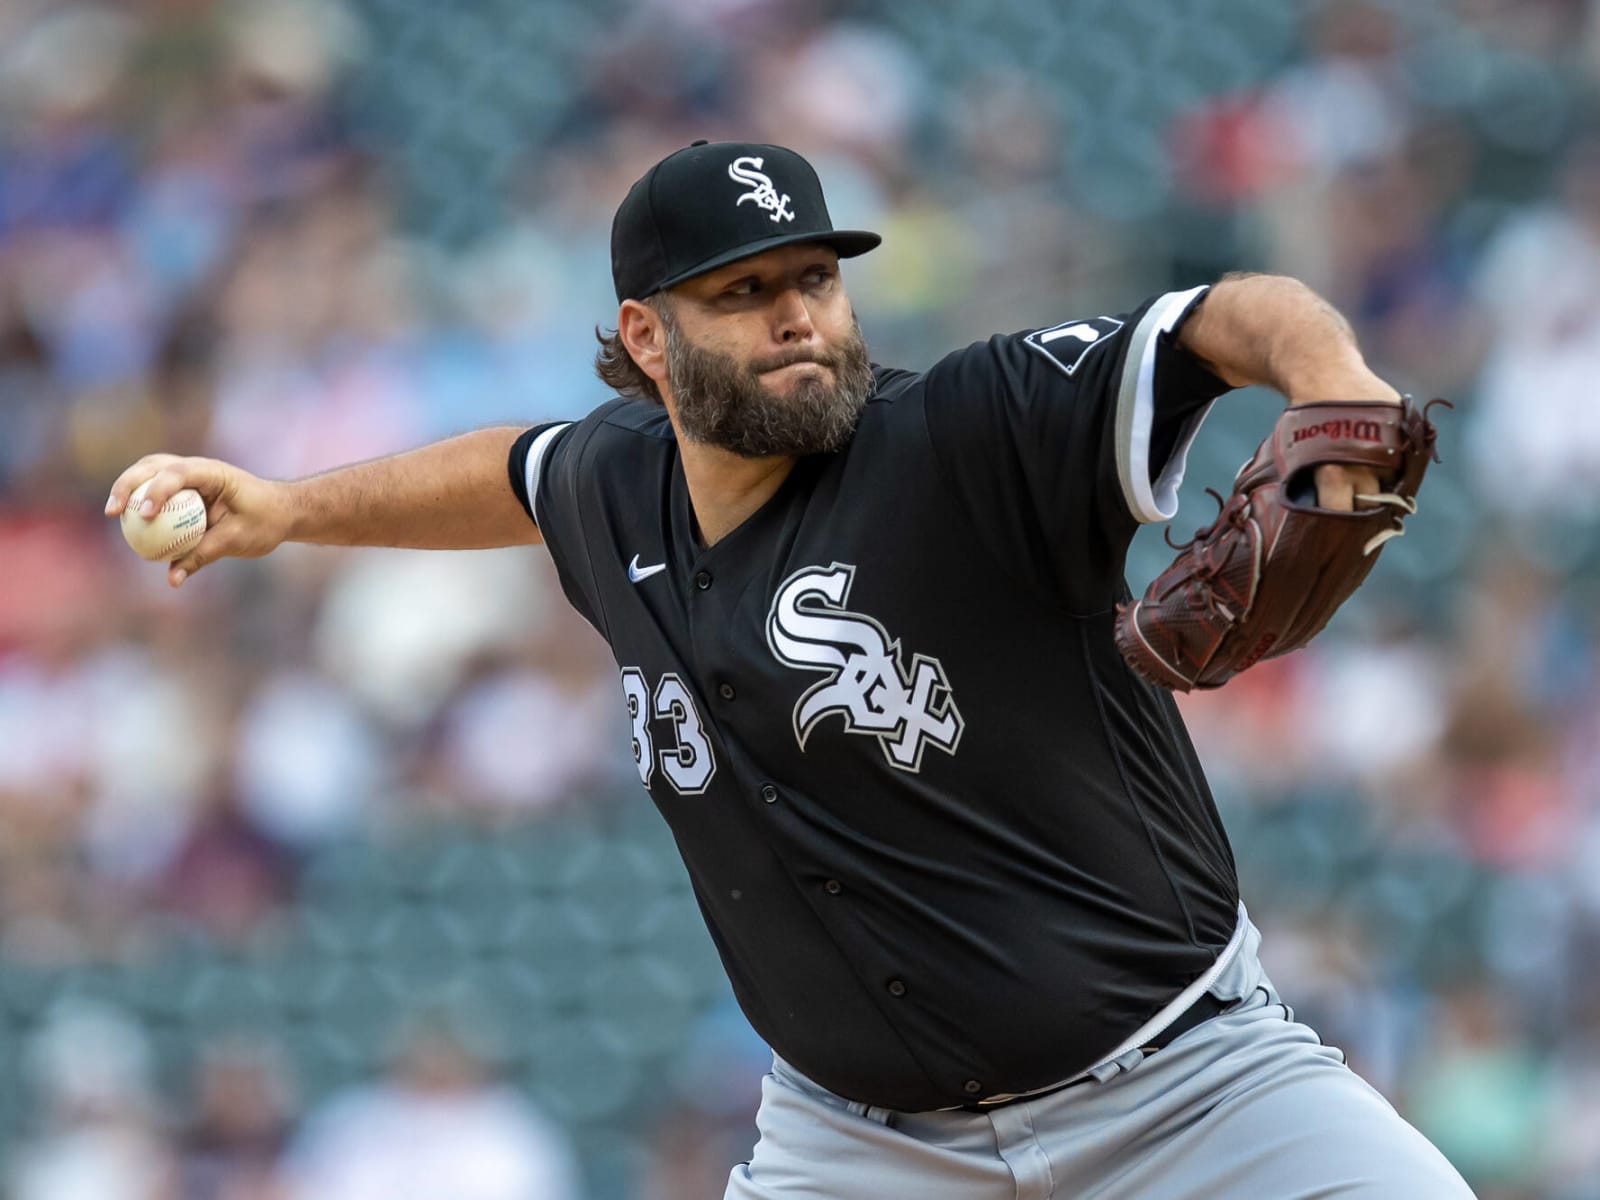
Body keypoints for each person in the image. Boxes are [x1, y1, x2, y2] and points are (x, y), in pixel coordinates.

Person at [108, 140, 1473, 1198]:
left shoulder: (970, 430)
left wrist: (1332, 393)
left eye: (814, 277)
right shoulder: (615, 488)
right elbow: (509, 471)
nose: (799, 317)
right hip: (862, 1148)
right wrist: (289, 508)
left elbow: (1232, 314)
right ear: (649, 339)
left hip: (1190, 1089)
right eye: (744, 293)